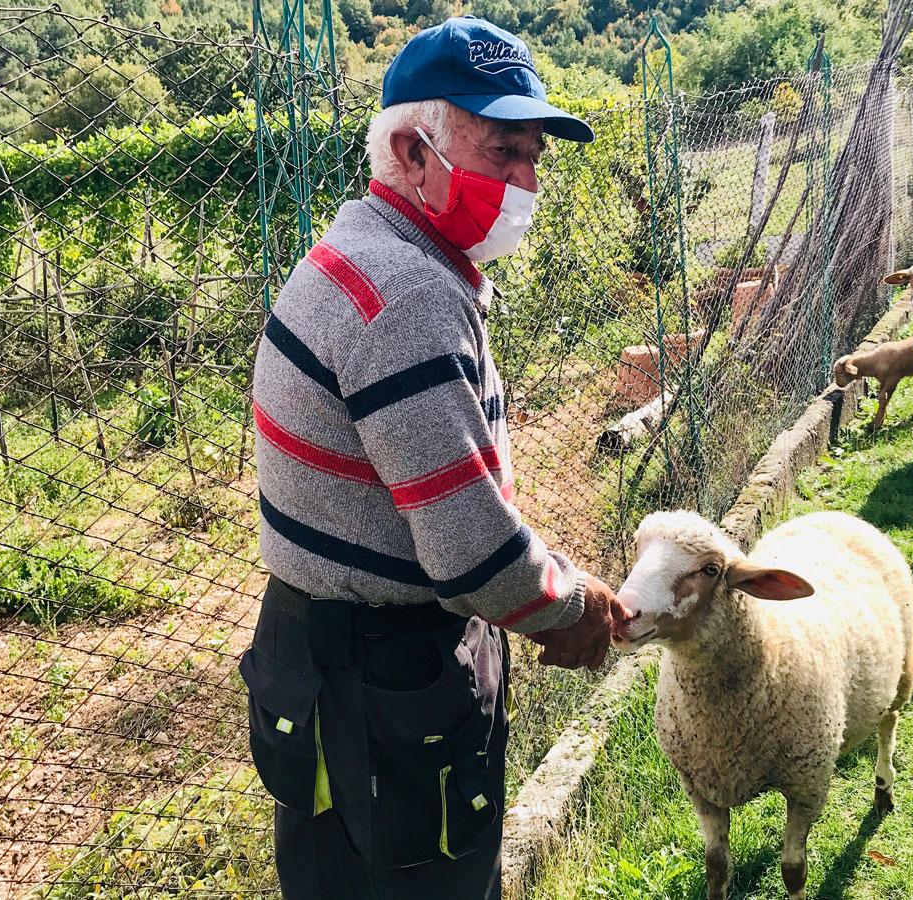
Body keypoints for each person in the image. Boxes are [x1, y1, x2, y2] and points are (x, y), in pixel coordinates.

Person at [241, 15, 631, 900]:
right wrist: (574, 606)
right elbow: (468, 550)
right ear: (413, 154)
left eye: (534, 157)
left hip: (321, 664)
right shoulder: (410, 293)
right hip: (385, 685)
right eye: (503, 152)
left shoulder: (357, 251)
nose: (528, 183)